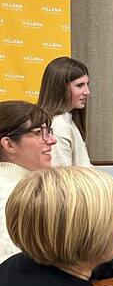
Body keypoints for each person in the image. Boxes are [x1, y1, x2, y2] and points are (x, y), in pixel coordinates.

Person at [37, 56, 113, 234]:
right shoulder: (59, 126)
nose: (87, 92)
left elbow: (84, 170)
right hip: (83, 210)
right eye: (80, 86)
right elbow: (66, 186)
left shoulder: (68, 119)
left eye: (87, 84)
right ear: (59, 88)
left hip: (90, 201)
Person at [0, 101, 57, 263]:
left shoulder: (24, 187)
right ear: (8, 144)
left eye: (48, 132)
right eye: (39, 132)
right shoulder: (11, 195)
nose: (52, 140)